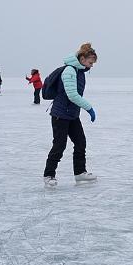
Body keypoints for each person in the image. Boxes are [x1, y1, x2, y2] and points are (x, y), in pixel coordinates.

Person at [43, 42, 98, 188]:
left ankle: (80, 173)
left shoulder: (80, 72)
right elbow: (72, 95)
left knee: (81, 142)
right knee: (59, 146)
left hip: (72, 114)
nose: (91, 65)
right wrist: (89, 108)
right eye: (90, 62)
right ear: (82, 58)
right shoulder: (70, 71)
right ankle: (49, 175)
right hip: (60, 115)